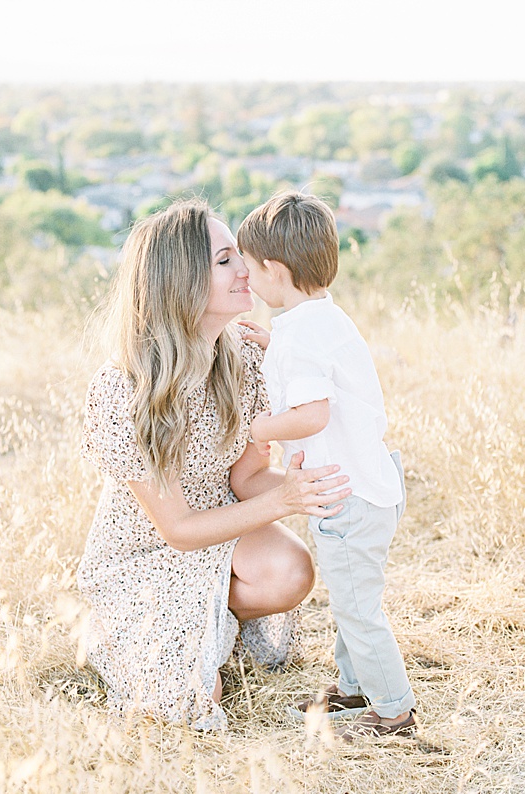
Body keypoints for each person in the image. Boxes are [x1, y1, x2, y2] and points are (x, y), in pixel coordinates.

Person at [77, 198, 352, 731]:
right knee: (184, 703)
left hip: (221, 518)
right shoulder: (122, 388)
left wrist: (319, 490)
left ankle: (205, 625)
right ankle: (138, 626)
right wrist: (283, 502)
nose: (246, 269)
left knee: (292, 572)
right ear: (180, 280)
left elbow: (247, 477)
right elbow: (176, 529)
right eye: (225, 260)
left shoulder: (247, 358)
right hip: (145, 546)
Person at [237, 191, 414, 740]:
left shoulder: (303, 333)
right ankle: (356, 686)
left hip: (351, 497)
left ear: (274, 269)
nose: (248, 282)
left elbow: (313, 412)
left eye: (248, 270)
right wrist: (273, 347)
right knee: (351, 597)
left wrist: (255, 428)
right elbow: (313, 370)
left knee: (359, 608)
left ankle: (393, 710)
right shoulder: (317, 319)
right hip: (368, 483)